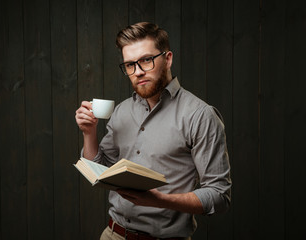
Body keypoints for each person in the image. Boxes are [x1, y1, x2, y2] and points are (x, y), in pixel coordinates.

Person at [75, 22, 231, 240]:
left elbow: (219, 195)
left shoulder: (200, 115)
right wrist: (89, 132)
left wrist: (160, 201)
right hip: (113, 234)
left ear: (167, 59)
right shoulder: (121, 111)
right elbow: (99, 172)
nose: (138, 72)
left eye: (146, 60)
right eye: (130, 65)